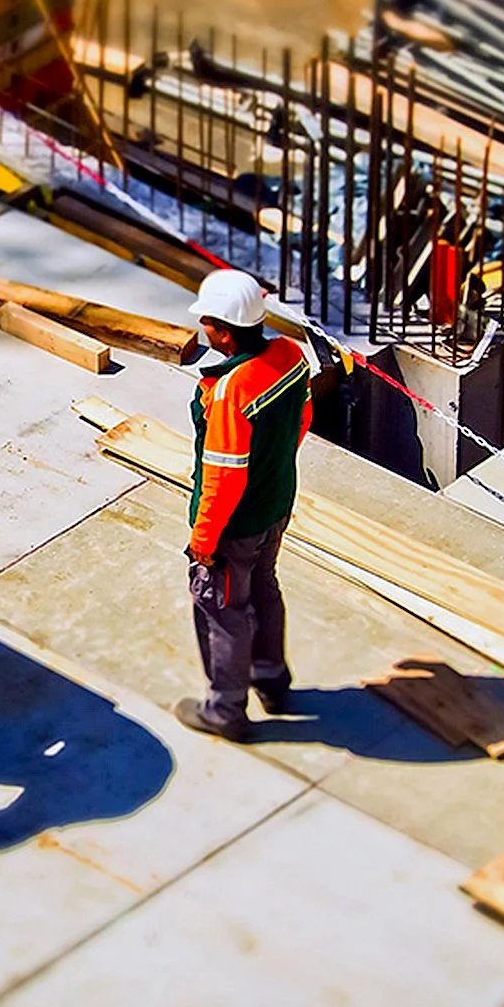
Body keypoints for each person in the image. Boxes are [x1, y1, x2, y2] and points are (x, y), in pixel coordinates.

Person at [173, 269, 314, 742]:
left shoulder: (232, 388)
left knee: (221, 608)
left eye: (207, 323)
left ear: (224, 331)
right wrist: (274, 473)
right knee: (264, 590)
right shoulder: (291, 357)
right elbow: (302, 418)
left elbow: (223, 476)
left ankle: (226, 711)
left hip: (236, 525)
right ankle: (272, 682)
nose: (203, 330)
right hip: (276, 507)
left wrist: (204, 540)